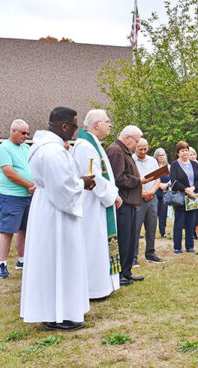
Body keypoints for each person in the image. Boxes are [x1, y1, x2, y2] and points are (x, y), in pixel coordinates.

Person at [20, 106, 96, 330]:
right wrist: (83, 182)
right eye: (73, 126)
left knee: (53, 260)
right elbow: (62, 187)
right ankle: (57, 314)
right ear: (64, 126)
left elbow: (61, 179)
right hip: (56, 213)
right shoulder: (52, 150)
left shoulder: (45, 147)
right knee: (58, 260)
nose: (74, 131)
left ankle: (59, 310)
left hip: (48, 206)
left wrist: (77, 179)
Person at [72, 109, 122, 299]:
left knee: (99, 242)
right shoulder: (85, 146)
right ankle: (94, 288)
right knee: (94, 243)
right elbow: (94, 178)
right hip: (92, 204)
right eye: (107, 121)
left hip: (99, 203)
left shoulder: (94, 144)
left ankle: (103, 284)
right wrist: (113, 196)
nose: (110, 124)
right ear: (96, 124)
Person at [0, 119, 35, 279]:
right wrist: (29, 185)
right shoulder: (4, 148)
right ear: (13, 131)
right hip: (11, 196)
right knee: (7, 231)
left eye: (27, 133)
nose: (26, 136)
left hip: (27, 196)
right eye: (23, 133)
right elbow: (9, 173)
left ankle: (21, 260)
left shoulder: (26, 148)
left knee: (23, 230)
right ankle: (2, 264)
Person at [107, 125, 146, 286]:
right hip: (122, 202)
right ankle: (121, 273)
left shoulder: (124, 151)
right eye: (136, 141)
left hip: (130, 201)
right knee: (123, 239)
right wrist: (139, 181)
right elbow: (119, 178)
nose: (137, 145)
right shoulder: (116, 151)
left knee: (130, 238)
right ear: (128, 137)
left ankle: (127, 271)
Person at [133, 138, 164, 265]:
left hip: (152, 197)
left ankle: (150, 253)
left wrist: (151, 192)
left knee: (151, 226)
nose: (143, 151)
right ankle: (133, 256)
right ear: (135, 148)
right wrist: (142, 193)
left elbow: (158, 179)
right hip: (137, 197)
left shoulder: (152, 160)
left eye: (145, 148)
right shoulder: (131, 161)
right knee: (135, 228)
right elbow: (131, 180)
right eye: (140, 149)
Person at [170, 141, 198, 253]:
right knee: (179, 222)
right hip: (180, 196)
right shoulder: (175, 164)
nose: (185, 153)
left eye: (186, 150)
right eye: (182, 151)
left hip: (193, 196)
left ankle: (190, 246)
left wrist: (193, 188)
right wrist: (186, 189)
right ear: (178, 153)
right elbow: (174, 180)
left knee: (191, 221)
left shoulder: (194, 164)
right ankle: (177, 247)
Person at [153, 148, 171, 238]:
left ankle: (162, 232)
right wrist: (159, 185)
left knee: (163, 213)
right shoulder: (153, 166)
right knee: (153, 213)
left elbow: (173, 179)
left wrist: (166, 184)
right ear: (156, 156)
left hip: (165, 192)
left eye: (163, 155)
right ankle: (151, 232)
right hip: (155, 192)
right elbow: (151, 179)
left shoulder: (168, 167)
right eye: (159, 155)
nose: (161, 157)